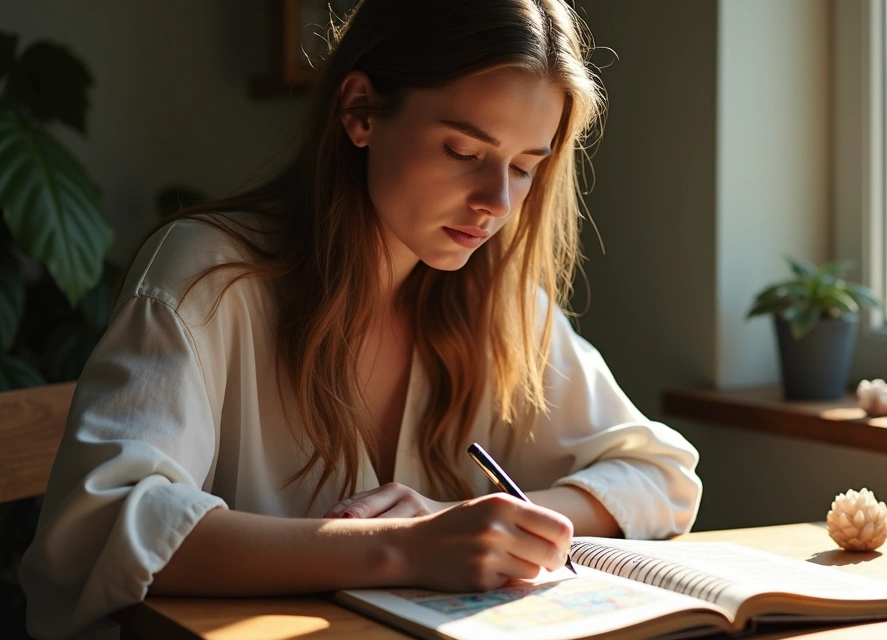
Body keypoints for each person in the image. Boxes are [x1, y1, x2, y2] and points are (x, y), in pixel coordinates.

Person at [19, 1, 703, 637]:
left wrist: (450, 522)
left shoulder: (496, 301)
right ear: (360, 111)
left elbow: (661, 475)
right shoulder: (210, 277)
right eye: (464, 152)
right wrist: (397, 550)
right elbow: (105, 522)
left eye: (526, 167)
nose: (496, 201)